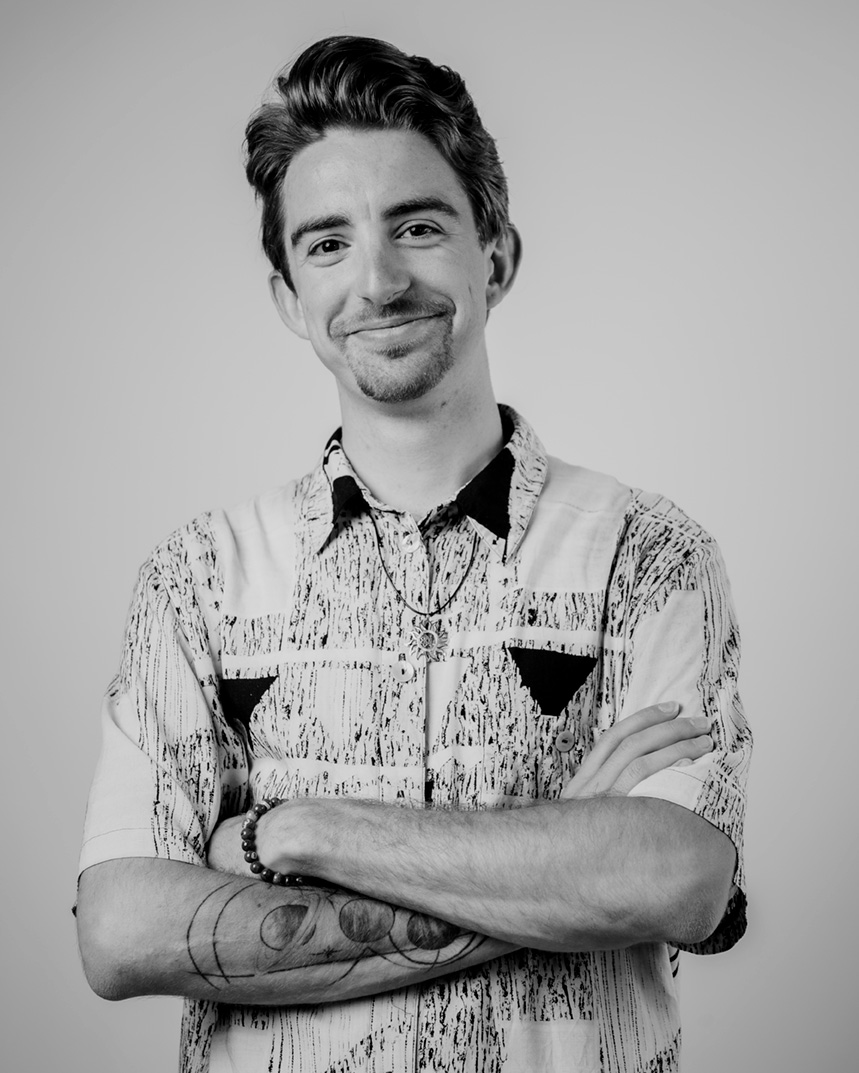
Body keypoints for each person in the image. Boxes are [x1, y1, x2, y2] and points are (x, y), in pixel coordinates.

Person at [76, 35, 751, 1073]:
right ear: (288, 297)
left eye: (418, 226)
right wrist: (565, 865)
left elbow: (677, 881)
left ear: (497, 256)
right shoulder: (196, 579)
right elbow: (122, 933)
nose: (379, 280)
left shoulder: (650, 555)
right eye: (327, 244)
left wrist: (290, 832)